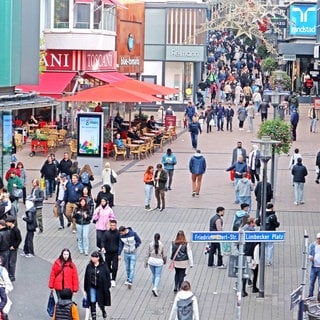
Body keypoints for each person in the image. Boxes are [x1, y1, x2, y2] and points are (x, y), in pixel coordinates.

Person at [144, 233, 167, 297]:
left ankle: (154, 286)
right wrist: (165, 261)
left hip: (151, 261)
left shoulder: (150, 244)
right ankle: (155, 287)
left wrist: (145, 262)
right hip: (159, 261)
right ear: (159, 238)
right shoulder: (161, 244)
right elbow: (164, 255)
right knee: (158, 275)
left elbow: (147, 254)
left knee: (154, 274)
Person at [101, 219, 120, 288]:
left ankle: (113, 279)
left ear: (116, 225)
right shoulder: (106, 233)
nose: (112, 227)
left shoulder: (118, 233)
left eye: (114, 225)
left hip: (115, 253)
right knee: (107, 266)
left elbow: (120, 243)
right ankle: (108, 278)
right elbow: (103, 241)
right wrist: (102, 247)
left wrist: (119, 253)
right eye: (111, 225)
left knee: (115, 267)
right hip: (108, 252)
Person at [5, 216, 22, 282]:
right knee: (9, 261)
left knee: (12, 262)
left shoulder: (16, 230)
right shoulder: (10, 229)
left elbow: (19, 239)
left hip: (13, 248)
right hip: (9, 247)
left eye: (7, 222)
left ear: (11, 223)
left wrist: (14, 246)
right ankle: (9, 274)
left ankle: (12, 276)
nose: (6, 223)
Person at [308, 233, 320, 299]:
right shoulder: (313, 245)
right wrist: (310, 258)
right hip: (314, 267)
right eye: (318, 239)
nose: (319, 240)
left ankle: (319, 298)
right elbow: (310, 254)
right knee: (311, 282)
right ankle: (310, 296)